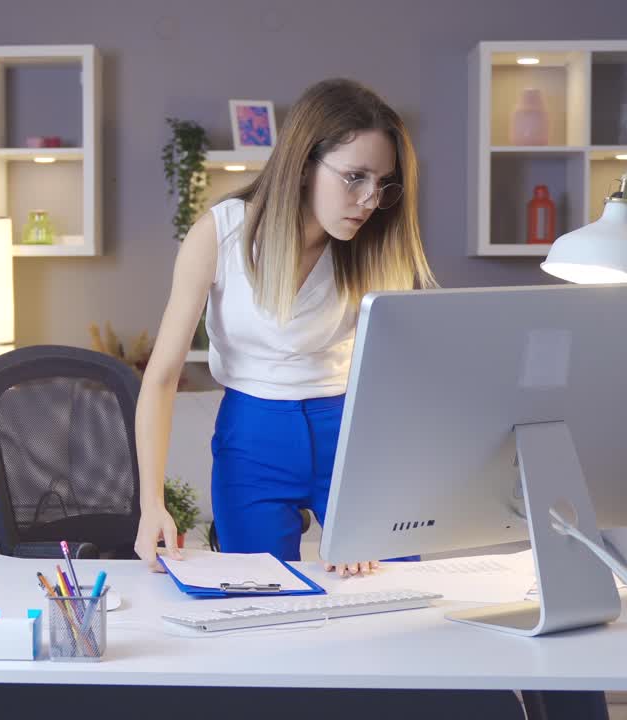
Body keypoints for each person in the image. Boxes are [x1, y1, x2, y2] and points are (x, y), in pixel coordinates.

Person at [134, 78, 436, 575]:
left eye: (382, 184)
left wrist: (365, 515)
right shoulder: (221, 234)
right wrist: (151, 505)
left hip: (348, 432)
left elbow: (392, 379)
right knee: (258, 599)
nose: (368, 199)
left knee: (389, 593)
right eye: (355, 176)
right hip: (252, 437)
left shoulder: (376, 245)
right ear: (303, 164)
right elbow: (162, 377)